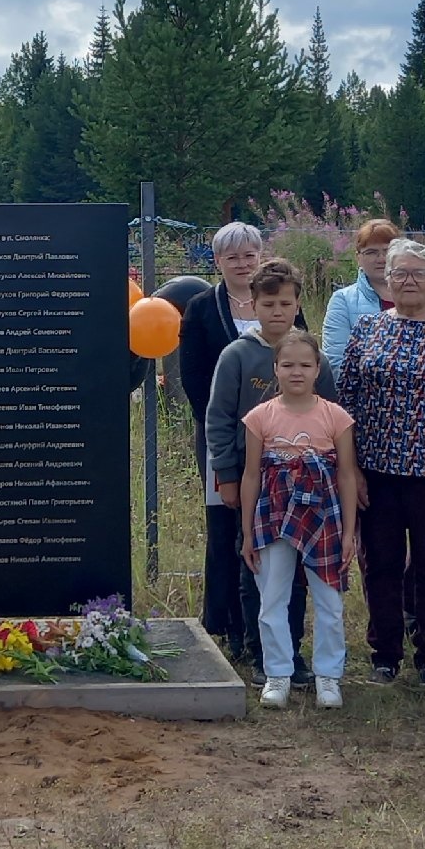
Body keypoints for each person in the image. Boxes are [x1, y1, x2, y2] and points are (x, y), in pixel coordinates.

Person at [338, 239, 425, 686]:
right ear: (386, 279)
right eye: (399, 273)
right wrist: (352, 472)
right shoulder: (368, 329)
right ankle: (385, 652)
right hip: (376, 472)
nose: (407, 281)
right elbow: (347, 407)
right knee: (378, 563)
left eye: (418, 273)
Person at [207, 256, 337, 683]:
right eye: (268, 305)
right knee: (255, 566)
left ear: (297, 304)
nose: (277, 312)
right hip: (253, 479)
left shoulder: (312, 356)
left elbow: (334, 418)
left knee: (296, 570)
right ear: (254, 305)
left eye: (285, 303)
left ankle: (292, 653)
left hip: (305, 484)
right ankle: (256, 648)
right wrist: (226, 474)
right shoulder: (237, 356)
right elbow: (218, 419)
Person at [238, 330, 361, 709]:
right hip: (273, 515)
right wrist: (247, 533)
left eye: (305, 365)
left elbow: (346, 474)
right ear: (275, 369)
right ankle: (278, 674)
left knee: (328, 599)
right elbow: (251, 475)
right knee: (272, 597)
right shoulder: (260, 417)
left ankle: (328, 676)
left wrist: (349, 532)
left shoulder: (336, 417)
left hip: (323, 516)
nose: (296, 372)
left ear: (317, 368)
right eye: (287, 365)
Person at [179, 222, 268, 658]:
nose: (242, 263)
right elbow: (193, 377)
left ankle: (264, 626)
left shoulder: (278, 298)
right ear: (217, 261)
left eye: (249, 254)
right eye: (232, 256)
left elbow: (302, 358)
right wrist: (221, 429)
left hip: (276, 437)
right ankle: (225, 621)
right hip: (221, 437)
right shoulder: (200, 307)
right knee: (226, 526)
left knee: (266, 526)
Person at [319, 219, 397, 368]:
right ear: (358, 258)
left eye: (387, 251)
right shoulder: (342, 301)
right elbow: (336, 362)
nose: (381, 258)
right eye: (371, 252)